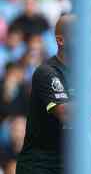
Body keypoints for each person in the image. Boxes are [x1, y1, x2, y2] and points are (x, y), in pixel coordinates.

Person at [16, 14, 75, 174]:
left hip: (67, 163)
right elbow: (66, 113)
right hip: (40, 166)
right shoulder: (47, 72)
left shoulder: (83, 75)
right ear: (61, 40)